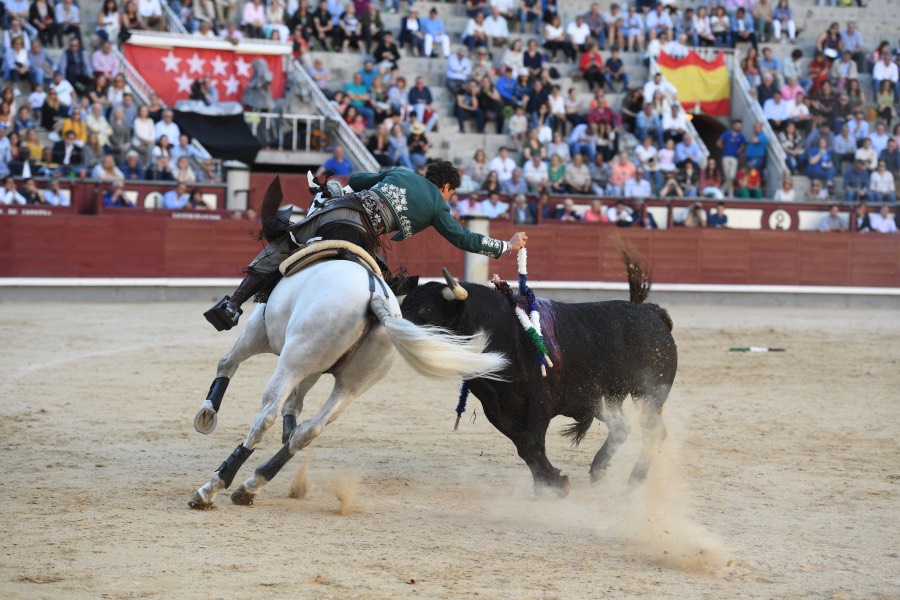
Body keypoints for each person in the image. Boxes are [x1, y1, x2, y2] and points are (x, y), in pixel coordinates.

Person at [205, 160, 529, 331]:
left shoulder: (401, 172)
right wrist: (506, 245)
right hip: (362, 233)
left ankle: (233, 305)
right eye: (451, 193)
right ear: (445, 187)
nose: (449, 199)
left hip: (335, 212)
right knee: (385, 285)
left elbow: (359, 181)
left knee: (285, 240)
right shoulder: (437, 206)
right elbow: (463, 238)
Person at [718, 120, 746, 196]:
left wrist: (739, 151)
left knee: (731, 176)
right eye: (737, 126)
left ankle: (723, 189)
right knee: (727, 176)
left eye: (739, 126)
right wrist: (725, 149)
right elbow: (719, 142)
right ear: (733, 126)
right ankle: (730, 191)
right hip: (726, 156)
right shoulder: (727, 133)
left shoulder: (741, 135)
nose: (738, 127)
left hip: (734, 157)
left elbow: (743, 145)